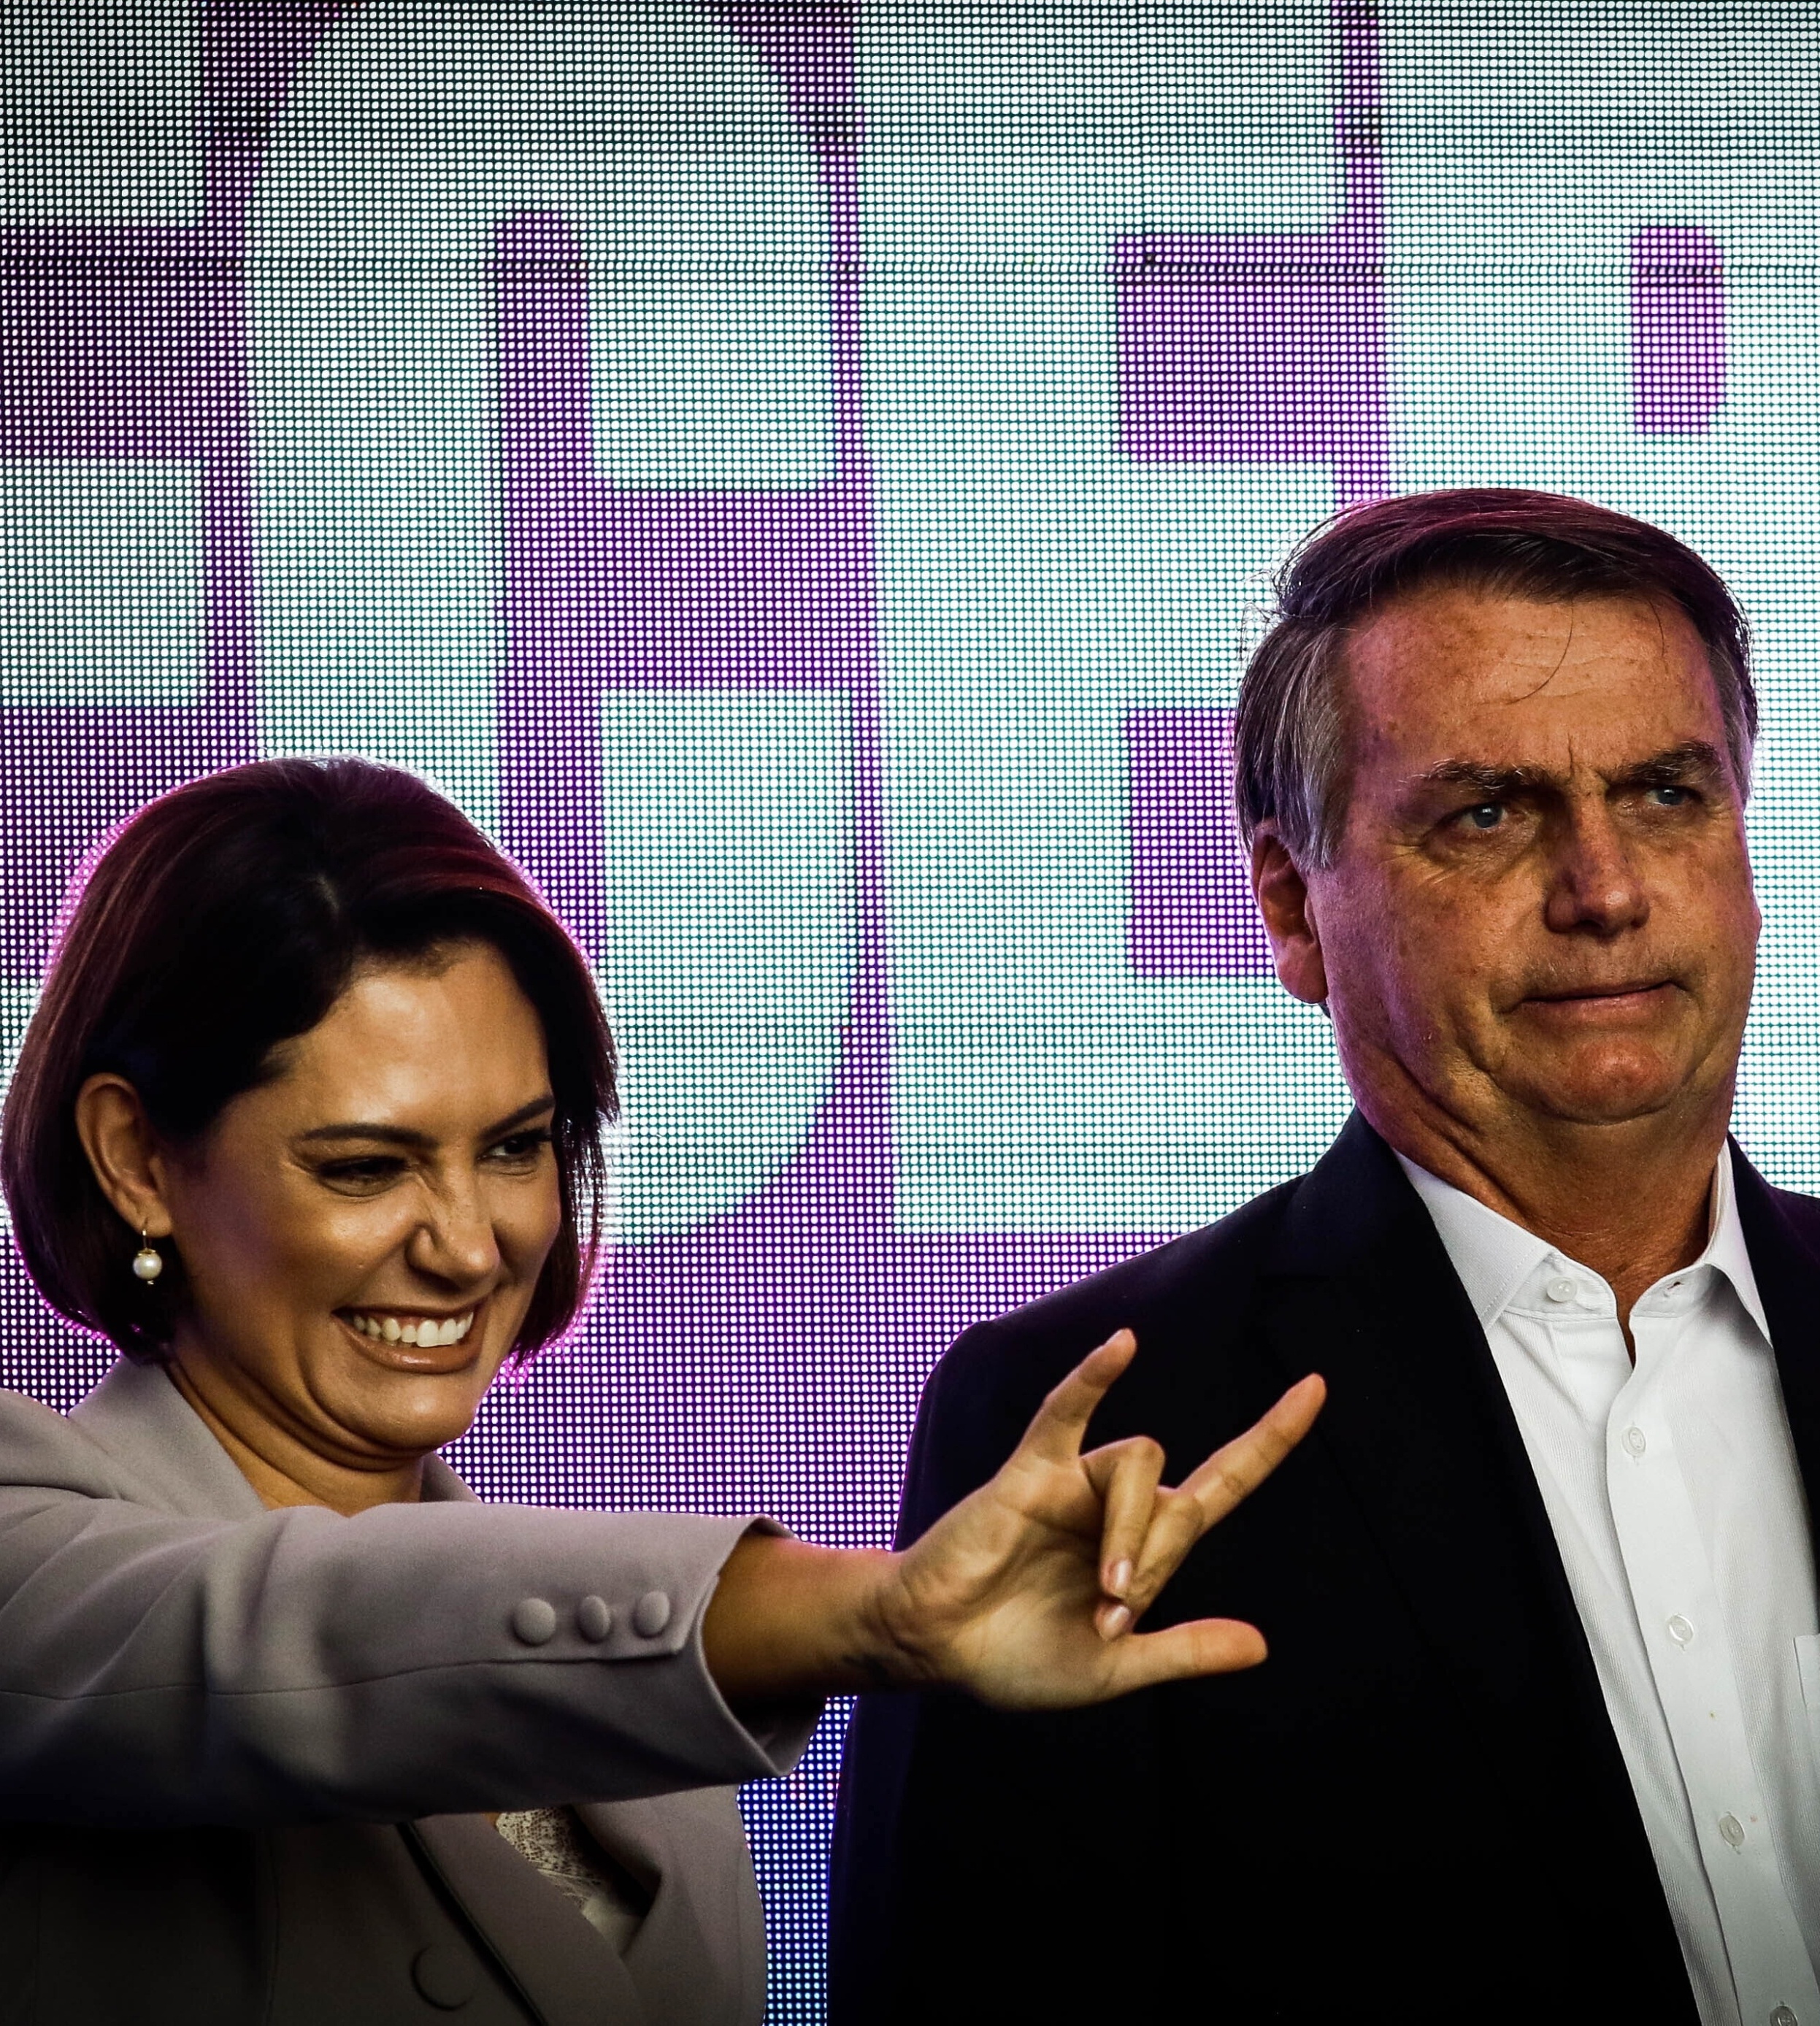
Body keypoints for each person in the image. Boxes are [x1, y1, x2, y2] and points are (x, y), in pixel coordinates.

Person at [830, 487, 1820, 2025]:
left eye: (1669, 794)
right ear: (1290, 903)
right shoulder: (1100, 1423)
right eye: (1489, 813)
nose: (1605, 888)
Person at [0, 756, 1323, 2026]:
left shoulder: (653, 1720)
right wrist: (864, 1611)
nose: (471, 1244)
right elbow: (299, 1635)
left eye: (516, 1148)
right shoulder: (35, 1560)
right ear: (136, 1159)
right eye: (364, 1168)